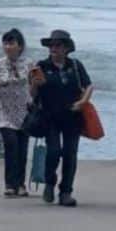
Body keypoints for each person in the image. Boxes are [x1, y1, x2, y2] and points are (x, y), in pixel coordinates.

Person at [30, 30, 94, 207]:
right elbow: (33, 94)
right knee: (53, 151)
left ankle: (66, 191)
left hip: (72, 116)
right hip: (49, 116)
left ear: (66, 48)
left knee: (70, 154)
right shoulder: (41, 66)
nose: (53, 49)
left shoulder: (75, 65)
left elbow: (89, 85)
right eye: (51, 45)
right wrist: (35, 84)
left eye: (57, 45)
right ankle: (50, 182)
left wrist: (83, 101)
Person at [0, 28, 33, 197]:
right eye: (5, 43)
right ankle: (9, 183)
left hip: (24, 111)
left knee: (22, 149)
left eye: (11, 43)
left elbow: (35, 85)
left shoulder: (29, 64)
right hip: (4, 112)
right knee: (11, 145)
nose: (7, 46)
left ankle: (20, 184)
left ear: (20, 46)